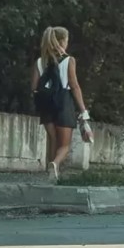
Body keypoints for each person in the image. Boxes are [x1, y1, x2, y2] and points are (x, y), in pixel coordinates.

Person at [31, 26, 91, 180]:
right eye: (67, 40)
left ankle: (50, 175)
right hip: (63, 102)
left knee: (53, 141)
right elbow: (74, 85)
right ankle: (55, 165)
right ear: (62, 41)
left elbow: (34, 88)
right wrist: (83, 111)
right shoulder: (69, 60)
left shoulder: (40, 61)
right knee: (64, 146)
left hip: (46, 105)